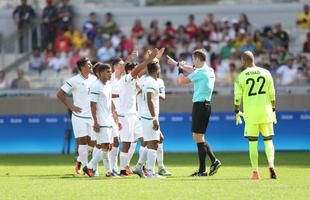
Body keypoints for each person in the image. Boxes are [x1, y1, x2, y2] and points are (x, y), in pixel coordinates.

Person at [166, 49, 221, 177]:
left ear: (196, 59)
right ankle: (208, 165)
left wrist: (179, 69)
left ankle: (209, 165)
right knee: (198, 137)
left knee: (198, 137)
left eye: (193, 59)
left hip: (200, 105)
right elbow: (193, 69)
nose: (192, 62)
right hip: (205, 105)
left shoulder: (201, 72)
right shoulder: (209, 70)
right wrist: (178, 64)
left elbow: (181, 81)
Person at [234, 51, 277, 180]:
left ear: (243, 61)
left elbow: (237, 98)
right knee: (268, 141)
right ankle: (271, 164)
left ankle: (255, 172)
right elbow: (272, 94)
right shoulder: (266, 73)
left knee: (253, 144)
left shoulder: (241, 76)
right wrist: (274, 110)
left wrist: (237, 111)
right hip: (266, 112)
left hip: (251, 114)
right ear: (254, 59)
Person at [118, 49, 158, 176]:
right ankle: (123, 169)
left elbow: (145, 70)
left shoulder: (134, 80)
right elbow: (139, 70)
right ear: (129, 71)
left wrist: (154, 59)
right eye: (135, 70)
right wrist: (149, 59)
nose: (138, 72)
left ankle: (139, 166)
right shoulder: (125, 79)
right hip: (125, 115)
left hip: (133, 115)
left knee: (145, 139)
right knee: (127, 142)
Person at [57, 57, 97, 174]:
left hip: (92, 116)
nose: (91, 66)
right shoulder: (74, 80)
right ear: (82, 68)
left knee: (93, 144)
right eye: (88, 65)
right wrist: (71, 107)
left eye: (91, 64)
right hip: (79, 116)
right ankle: (87, 168)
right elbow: (60, 94)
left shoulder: (95, 79)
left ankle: (79, 159)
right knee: (83, 141)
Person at [83, 63, 121, 178]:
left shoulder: (108, 85)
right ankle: (99, 169)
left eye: (110, 71)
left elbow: (109, 98)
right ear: (101, 73)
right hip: (101, 120)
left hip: (108, 119)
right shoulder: (96, 86)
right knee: (105, 146)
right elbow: (92, 105)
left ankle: (100, 169)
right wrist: (95, 121)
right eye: (108, 72)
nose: (110, 74)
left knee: (108, 147)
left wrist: (121, 95)